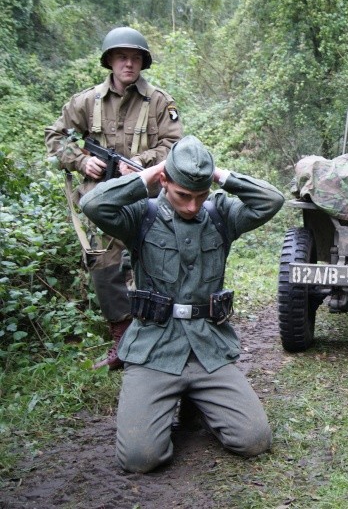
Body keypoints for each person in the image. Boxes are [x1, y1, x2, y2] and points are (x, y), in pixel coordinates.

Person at [79, 135, 284, 473]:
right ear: (164, 181)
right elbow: (93, 204)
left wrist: (219, 176)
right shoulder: (140, 216)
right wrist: (151, 172)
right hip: (154, 349)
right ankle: (169, 401)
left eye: (199, 196)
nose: (192, 206)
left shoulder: (221, 215)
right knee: (140, 459)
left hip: (208, 349)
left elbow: (271, 200)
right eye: (182, 195)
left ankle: (196, 401)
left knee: (254, 441)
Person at [45, 26, 183, 370]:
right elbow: (55, 135)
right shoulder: (87, 101)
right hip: (100, 198)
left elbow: (173, 146)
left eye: (136, 58)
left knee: (159, 262)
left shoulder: (160, 102)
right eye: (122, 57)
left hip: (147, 196)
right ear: (109, 61)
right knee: (104, 265)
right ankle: (122, 340)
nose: (129, 63)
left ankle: (162, 337)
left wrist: (144, 164)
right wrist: (80, 160)